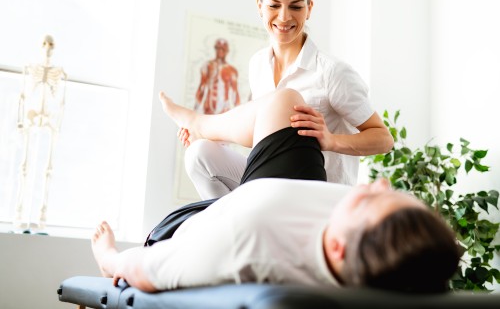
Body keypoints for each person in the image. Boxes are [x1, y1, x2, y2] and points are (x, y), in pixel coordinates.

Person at [91, 89, 460, 294]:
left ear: (337, 247)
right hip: (282, 189)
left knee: (204, 151)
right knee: (287, 103)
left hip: (202, 223)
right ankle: (199, 125)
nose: (378, 184)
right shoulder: (378, 242)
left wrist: (109, 257)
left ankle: (198, 124)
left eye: (371, 197)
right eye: (392, 192)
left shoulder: (246, 241)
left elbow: (144, 269)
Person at [181, 0, 394, 200]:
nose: (284, 17)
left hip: (319, 195)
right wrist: (210, 135)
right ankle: (227, 224)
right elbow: (263, 135)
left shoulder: (332, 72)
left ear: (309, 8)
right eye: (274, 5)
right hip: (273, 182)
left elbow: (384, 139)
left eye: (296, 6)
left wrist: (331, 140)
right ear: (259, 6)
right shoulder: (258, 64)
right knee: (199, 154)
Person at [194, 38, 240, 115]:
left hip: (224, 111)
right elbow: (201, 87)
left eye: (223, 49)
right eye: (218, 48)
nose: (220, 51)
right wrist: (195, 109)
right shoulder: (207, 66)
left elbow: (235, 93)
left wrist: (239, 113)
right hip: (208, 109)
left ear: (227, 51)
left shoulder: (231, 70)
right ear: (215, 49)